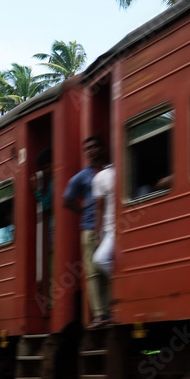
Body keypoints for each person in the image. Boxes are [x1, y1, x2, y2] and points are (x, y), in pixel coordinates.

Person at [63, 135, 108, 326]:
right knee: (93, 272)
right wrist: (83, 212)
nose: (90, 151)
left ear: (101, 149)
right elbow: (66, 200)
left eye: (94, 147)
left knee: (107, 267)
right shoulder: (81, 177)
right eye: (87, 148)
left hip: (109, 227)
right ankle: (100, 314)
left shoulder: (108, 170)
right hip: (89, 228)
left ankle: (110, 308)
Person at [92, 162, 116, 280]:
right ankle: (122, 281)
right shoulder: (102, 176)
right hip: (110, 228)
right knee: (100, 260)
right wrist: (98, 234)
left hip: (126, 224)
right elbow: (99, 208)